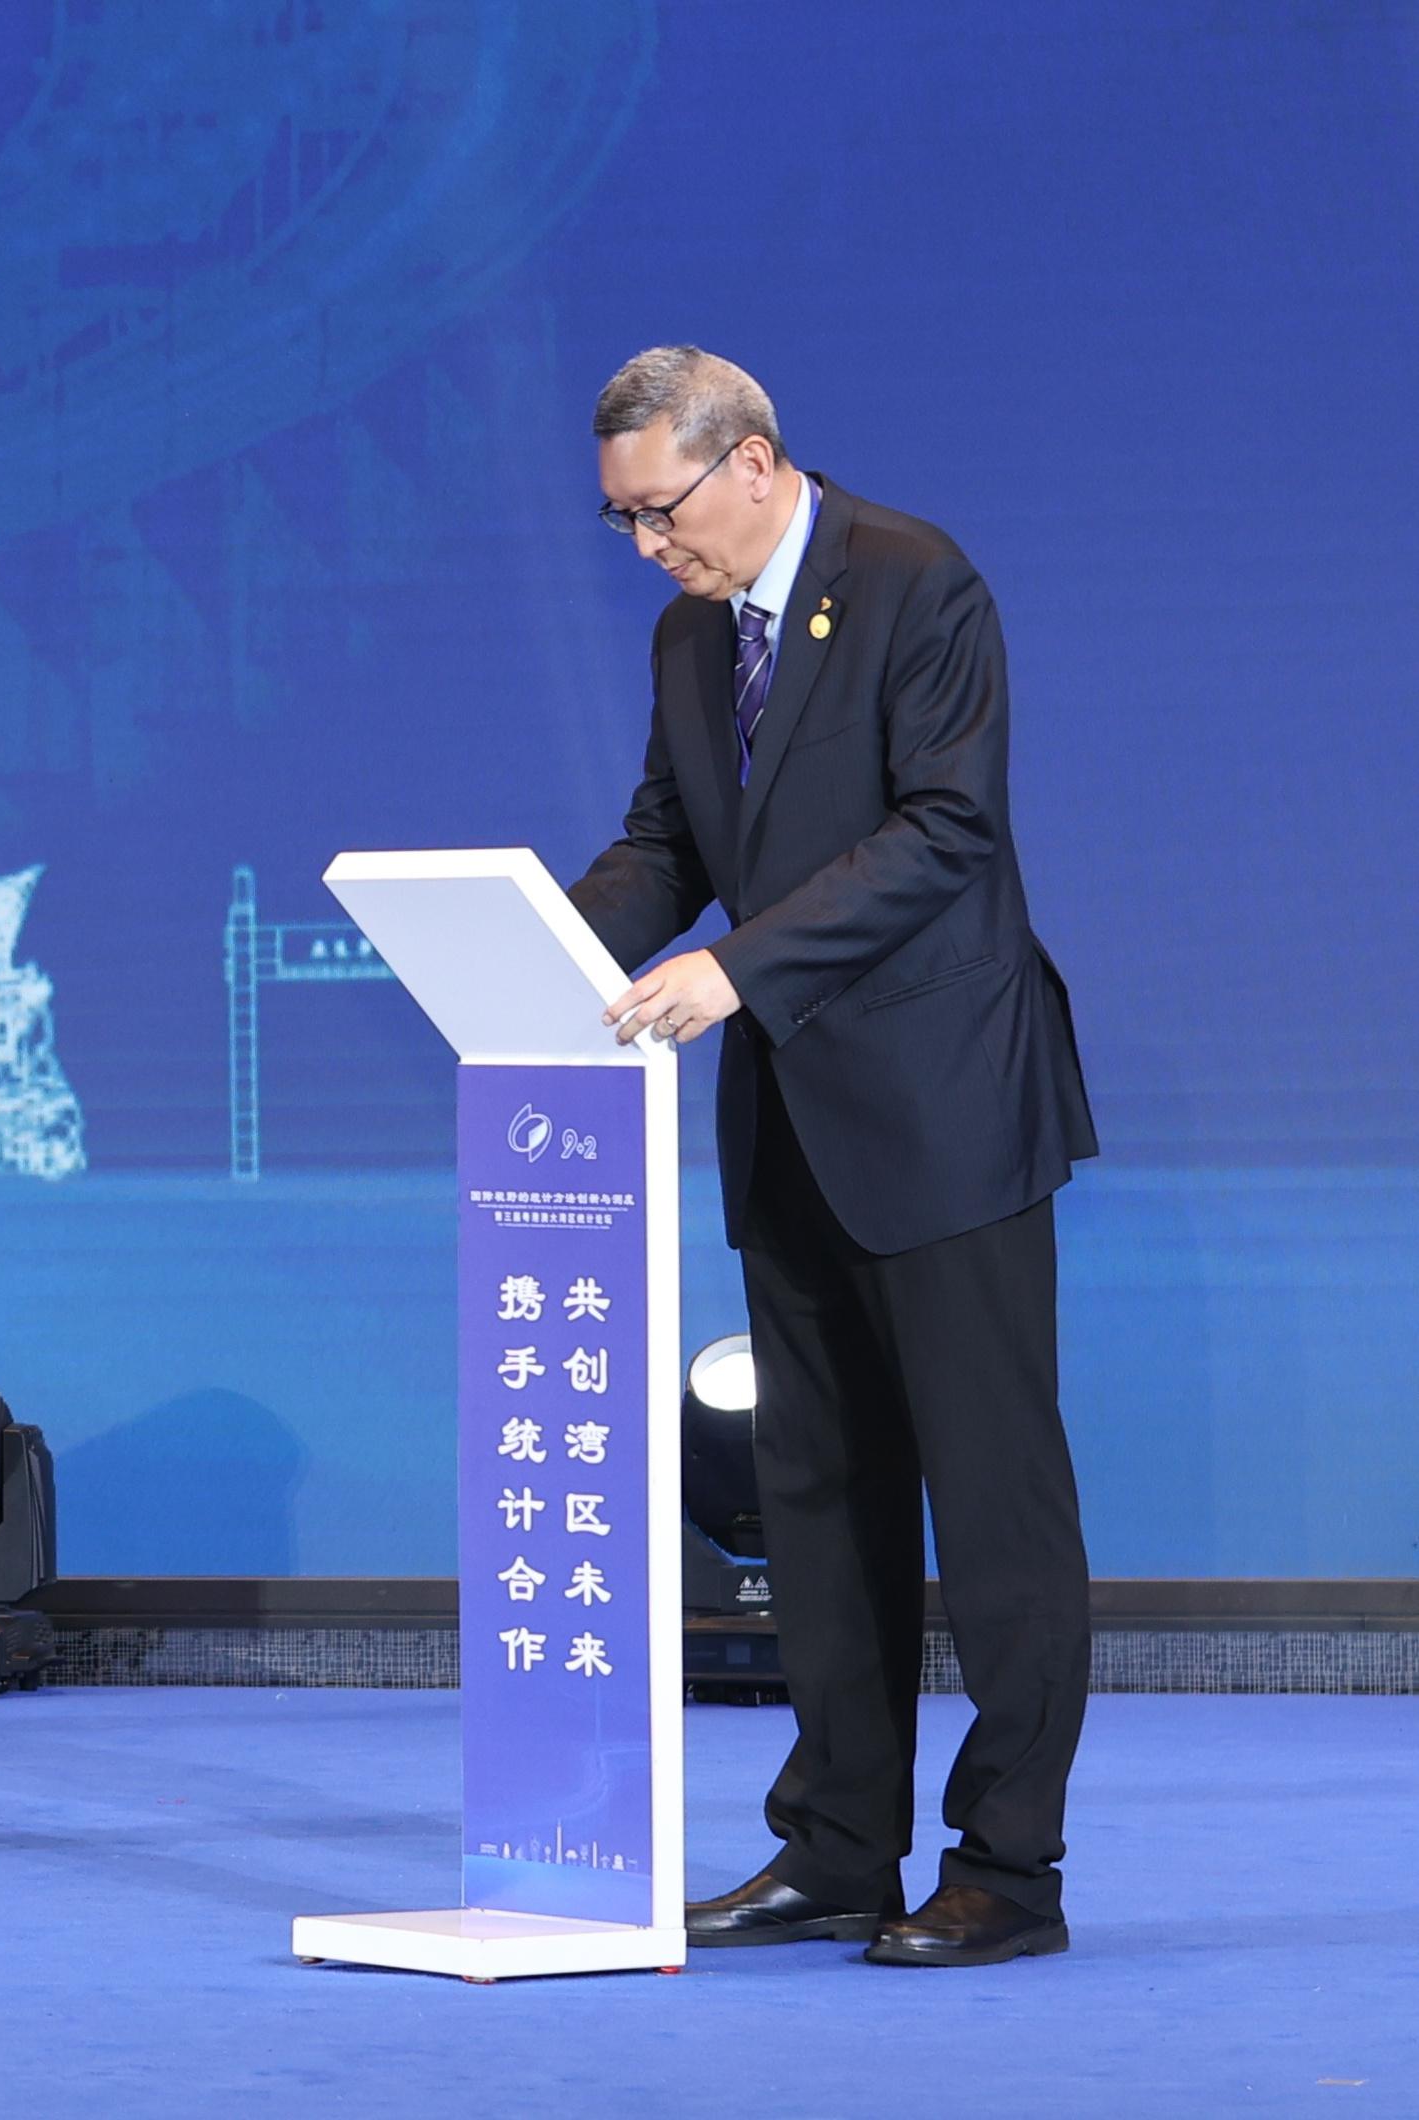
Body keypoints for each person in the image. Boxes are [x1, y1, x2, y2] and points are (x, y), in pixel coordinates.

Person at [567, 348, 1096, 1966]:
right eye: (618, 523)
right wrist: (556, 951)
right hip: (788, 1118)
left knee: (988, 1504)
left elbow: (944, 831)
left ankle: (1005, 1867)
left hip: (941, 1107)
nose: (647, 548)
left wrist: (735, 971)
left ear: (748, 461)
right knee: (812, 1499)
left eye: (656, 512)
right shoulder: (683, 634)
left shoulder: (911, 581)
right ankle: (836, 1848)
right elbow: (667, 841)